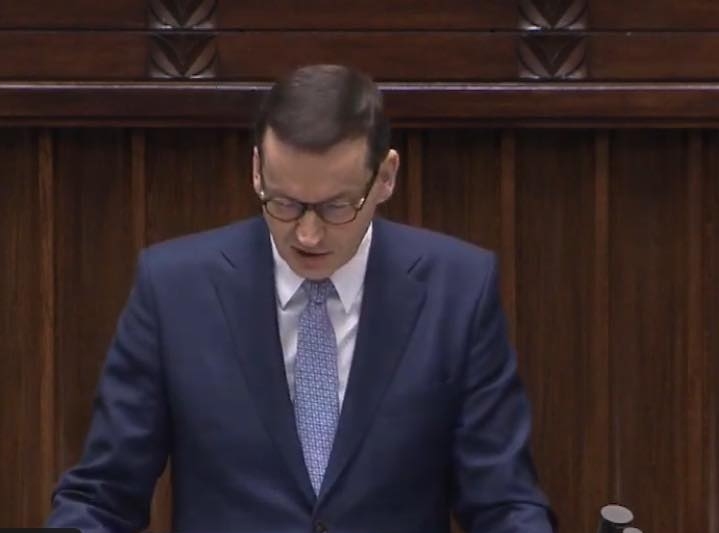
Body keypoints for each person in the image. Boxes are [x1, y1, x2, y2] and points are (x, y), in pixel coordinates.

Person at [47, 64, 555, 533]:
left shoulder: (458, 291)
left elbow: (504, 502)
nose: (307, 235)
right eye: (285, 203)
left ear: (385, 177)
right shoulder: (175, 290)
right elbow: (102, 496)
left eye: (336, 207)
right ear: (256, 170)